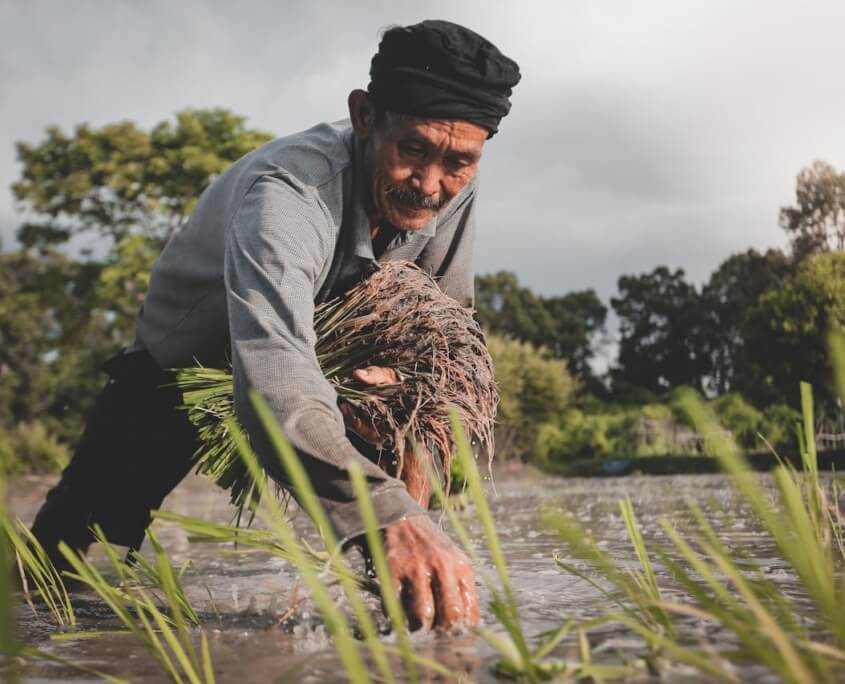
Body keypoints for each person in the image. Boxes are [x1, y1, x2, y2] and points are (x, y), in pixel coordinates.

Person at [30, 19, 520, 631]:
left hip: (332, 359)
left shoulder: (451, 187)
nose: (429, 185)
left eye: (459, 161)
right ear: (365, 116)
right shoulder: (289, 195)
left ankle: (399, 620)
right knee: (71, 544)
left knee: (408, 432)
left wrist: (403, 392)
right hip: (187, 363)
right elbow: (276, 379)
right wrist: (384, 512)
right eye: (413, 149)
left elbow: (449, 331)